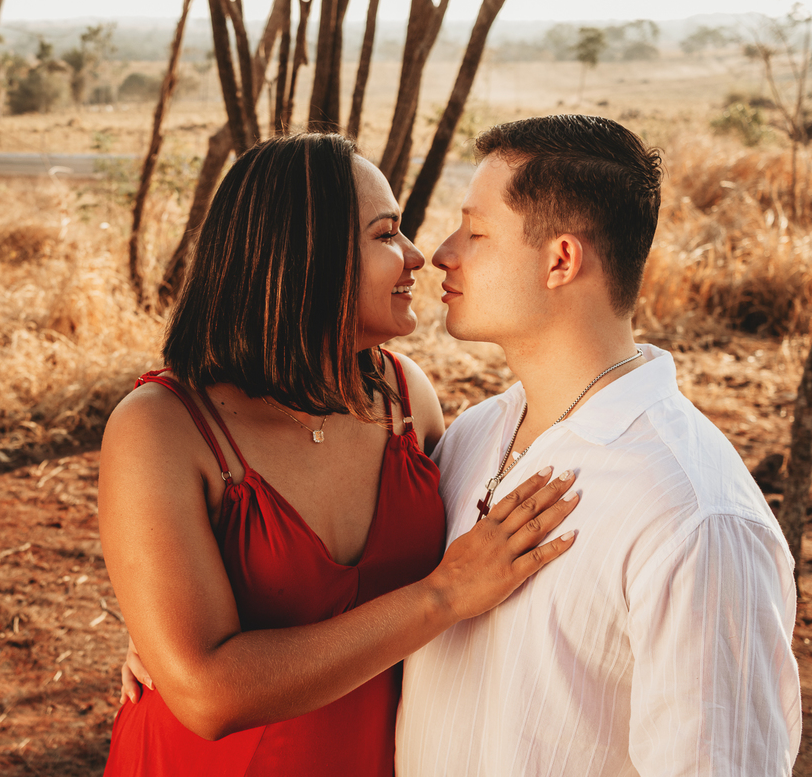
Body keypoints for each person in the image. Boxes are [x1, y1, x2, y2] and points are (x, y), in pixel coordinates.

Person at [98, 133, 581, 776]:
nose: (417, 257)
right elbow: (206, 696)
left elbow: (482, 572)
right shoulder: (163, 428)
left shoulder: (405, 398)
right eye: (386, 235)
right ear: (303, 259)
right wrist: (441, 595)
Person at [394, 114, 801, 775]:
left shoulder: (694, 515)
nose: (442, 252)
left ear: (560, 259)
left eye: (475, 231)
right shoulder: (470, 437)